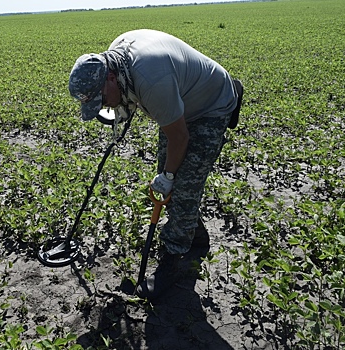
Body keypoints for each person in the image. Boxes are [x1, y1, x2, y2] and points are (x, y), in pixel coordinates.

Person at [69, 29, 241, 300]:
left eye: (102, 100)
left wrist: (170, 175)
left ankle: (173, 259)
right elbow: (136, 95)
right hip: (180, 101)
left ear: (111, 77)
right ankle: (194, 233)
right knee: (168, 180)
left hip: (211, 105)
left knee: (182, 187)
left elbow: (179, 136)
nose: (105, 106)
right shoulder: (117, 60)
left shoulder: (152, 80)